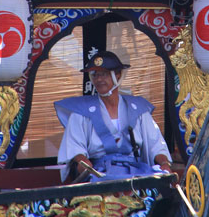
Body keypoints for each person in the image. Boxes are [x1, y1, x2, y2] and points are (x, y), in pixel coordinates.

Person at [56, 50, 173, 182]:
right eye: (95, 74)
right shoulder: (81, 111)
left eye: (104, 74)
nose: (98, 79)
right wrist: (83, 163)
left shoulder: (138, 109)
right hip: (99, 172)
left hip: (136, 171)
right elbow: (75, 147)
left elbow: (156, 144)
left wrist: (165, 165)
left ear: (118, 75)